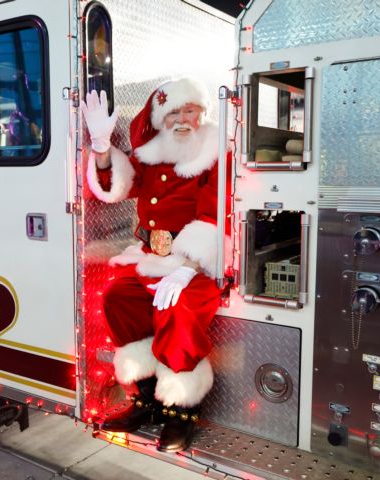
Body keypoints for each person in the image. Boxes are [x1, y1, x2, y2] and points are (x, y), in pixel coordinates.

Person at [81, 78, 223, 452]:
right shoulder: (153, 152)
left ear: (201, 112)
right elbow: (120, 186)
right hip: (150, 258)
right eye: (173, 112)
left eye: (189, 110)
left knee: (179, 307)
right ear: (160, 118)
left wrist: (189, 265)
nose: (182, 119)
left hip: (199, 264)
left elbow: (215, 216)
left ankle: (181, 411)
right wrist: (100, 148)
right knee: (116, 296)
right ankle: (147, 398)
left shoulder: (213, 152)